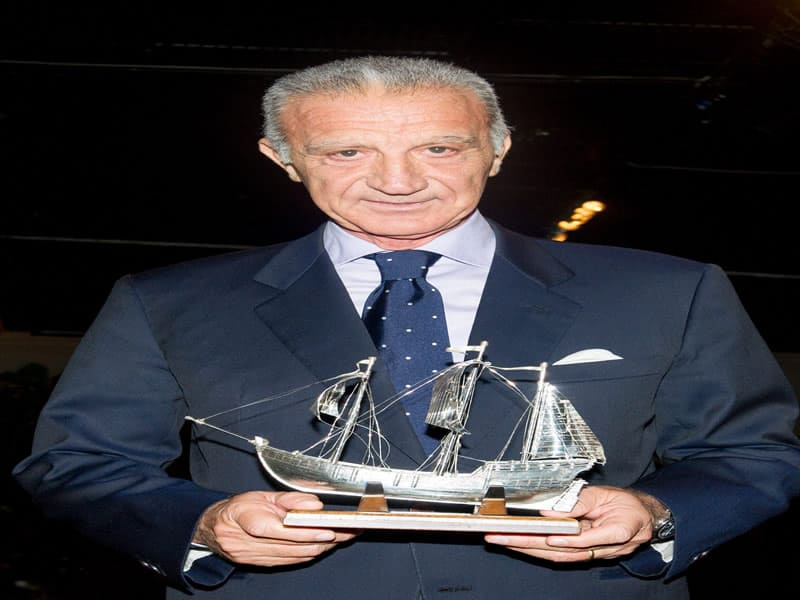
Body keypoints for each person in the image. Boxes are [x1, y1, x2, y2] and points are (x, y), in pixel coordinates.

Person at [13, 55, 800, 600]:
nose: (397, 181)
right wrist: (203, 525)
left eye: (439, 147)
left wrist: (658, 515)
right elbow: (76, 463)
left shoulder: (668, 290)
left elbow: (755, 455)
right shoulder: (167, 302)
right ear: (282, 157)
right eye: (347, 151)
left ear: (497, 149)